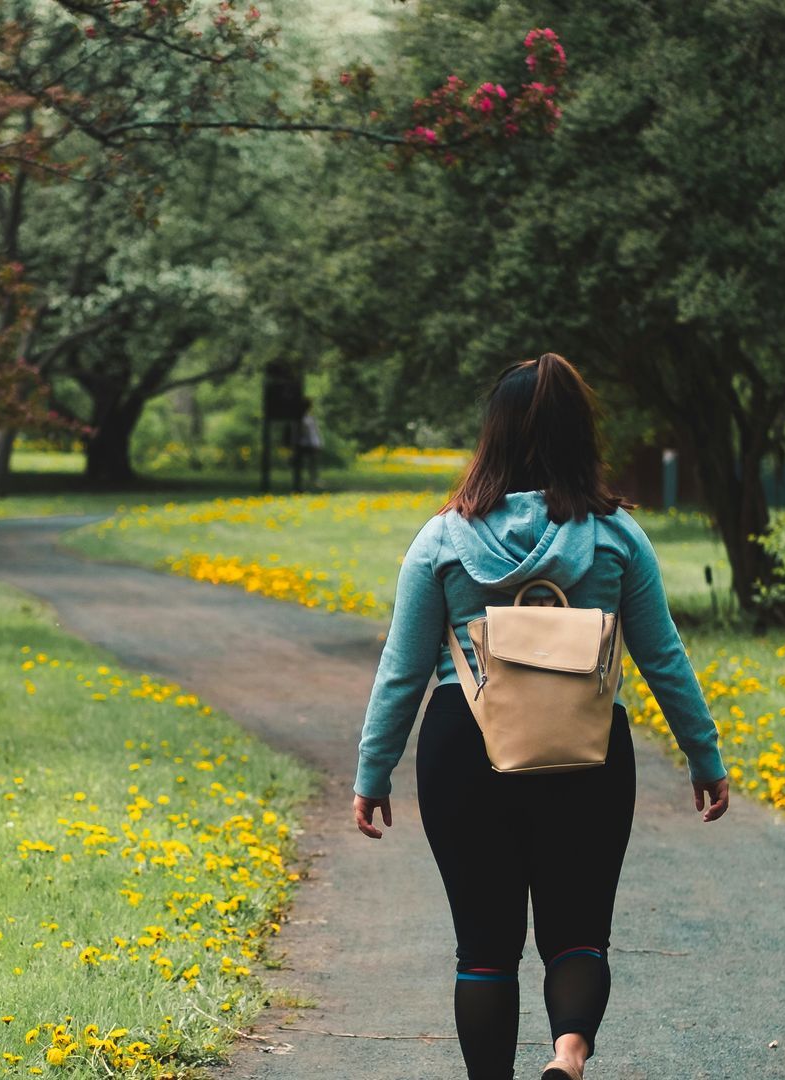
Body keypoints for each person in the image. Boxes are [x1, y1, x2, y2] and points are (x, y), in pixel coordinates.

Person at [350, 353, 729, 1080]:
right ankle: (568, 1054)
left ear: (492, 436)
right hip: (586, 750)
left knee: (485, 948)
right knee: (578, 933)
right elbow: (665, 659)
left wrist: (374, 771)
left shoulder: (442, 541)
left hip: (465, 749)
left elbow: (401, 671)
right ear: (578, 435)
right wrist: (703, 757)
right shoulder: (616, 536)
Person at [293, 397, 323, 492]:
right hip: (305, 444)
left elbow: (314, 432)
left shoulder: (309, 418)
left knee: (312, 464)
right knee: (305, 464)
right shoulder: (302, 419)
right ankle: (304, 483)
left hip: (310, 443)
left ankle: (312, 481)